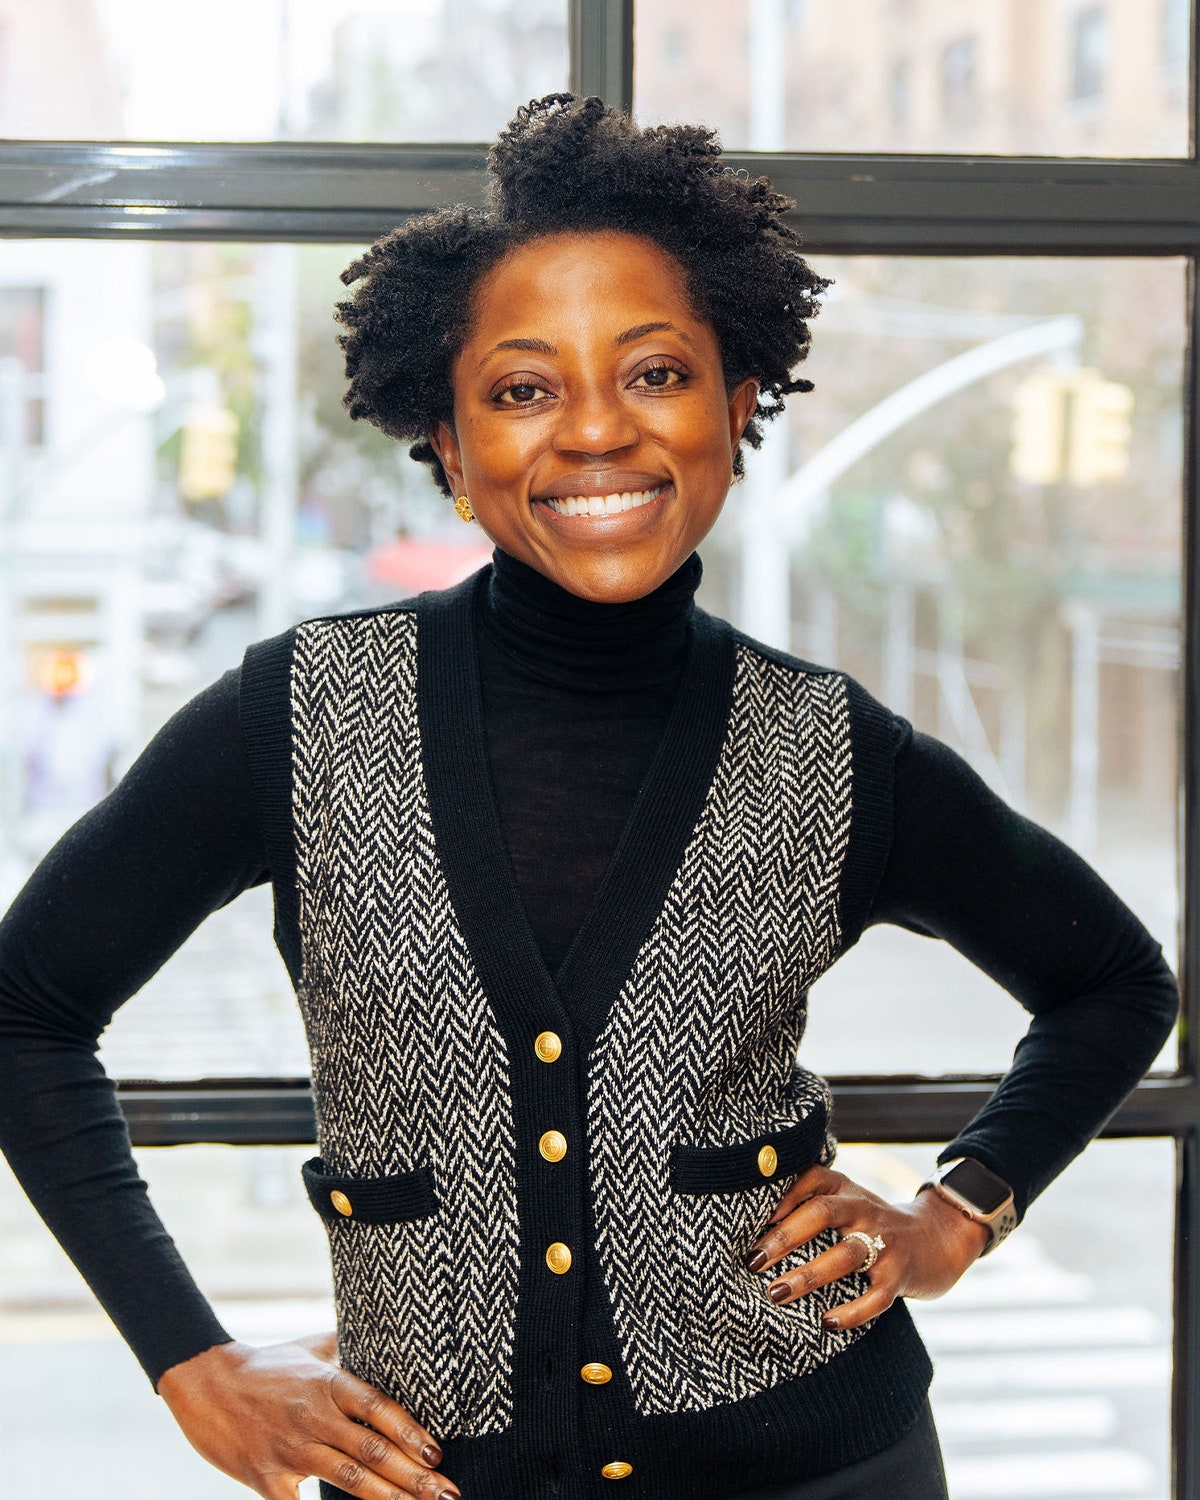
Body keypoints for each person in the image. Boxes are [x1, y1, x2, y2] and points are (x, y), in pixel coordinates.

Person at [0, 94, 1178, 1500]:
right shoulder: (292, 720)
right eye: (521, 388)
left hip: (818, 1458)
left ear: (738, 406)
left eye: (656, 374)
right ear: (445, 443)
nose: (597, 433)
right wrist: (192, 1365)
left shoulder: (832, 751)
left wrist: (956, 1212)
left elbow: (1115, 980)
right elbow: (28, 1007)